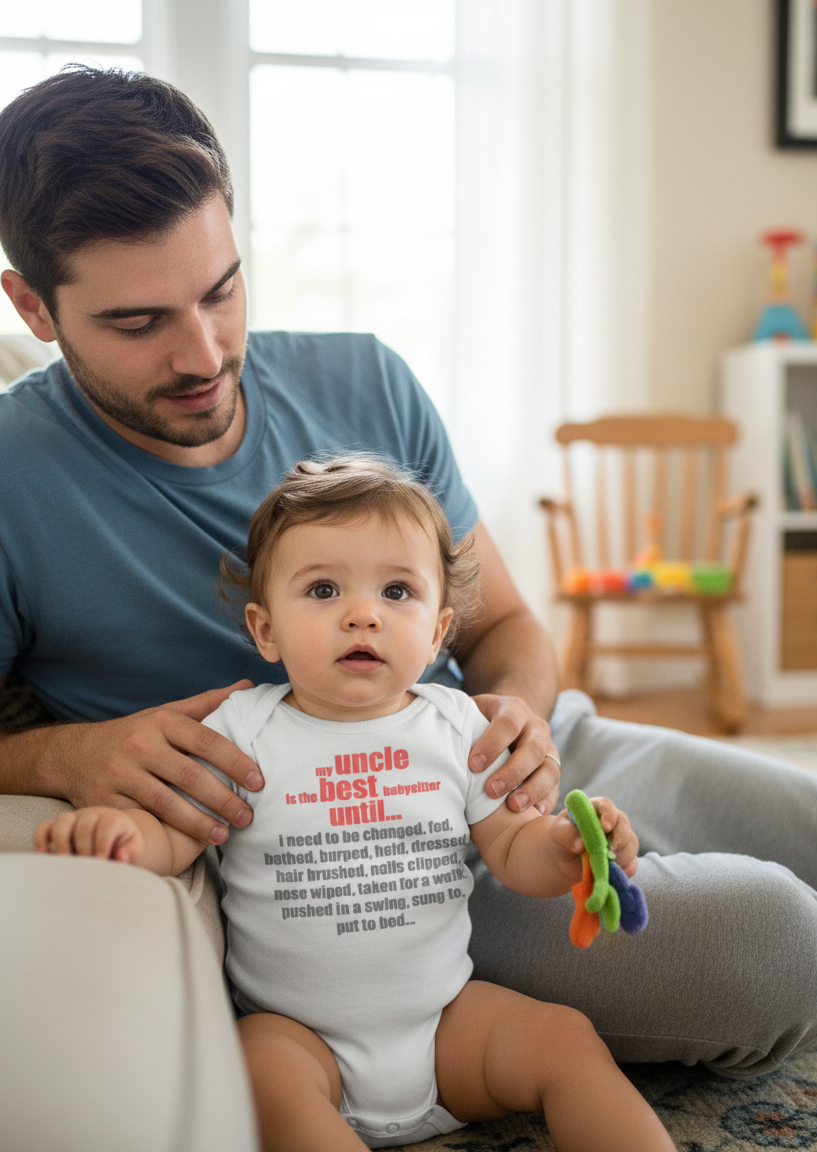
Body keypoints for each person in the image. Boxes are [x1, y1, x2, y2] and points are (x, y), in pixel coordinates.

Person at [0, 65, 817, 1087]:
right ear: (32, 304)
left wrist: (513, 720)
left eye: (221, 289)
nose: (204, 352)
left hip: (519, 758)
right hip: (370, 873)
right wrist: (64, 757)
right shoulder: (12, 474)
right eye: (138, 322)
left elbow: (504, 623)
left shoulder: (364, 378)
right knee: (790, 951)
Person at [34, 456, 676, 1152]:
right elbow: (179, 832)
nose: (363, 614)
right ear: (266, 629)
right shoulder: (241, 729)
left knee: (564, 1037)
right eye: (323, 589)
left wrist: (566, 851)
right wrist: (122, 837)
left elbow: (515, 852)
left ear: (438, 633)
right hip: (302, 1040)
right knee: (254, 1067)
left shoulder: (459, 725)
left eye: (398, 591)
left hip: (445, 1027)